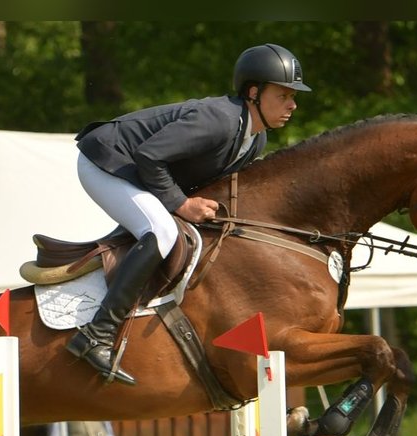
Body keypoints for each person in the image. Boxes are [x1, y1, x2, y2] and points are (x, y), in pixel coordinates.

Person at [66, 43, 311, 386]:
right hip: (107, 162)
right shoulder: (220, 120)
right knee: (162, 232)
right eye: (284, 95)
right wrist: (181, 205)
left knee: (169, 230)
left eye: (293, 96)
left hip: (138, 171)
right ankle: (97, 333)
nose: (292, 104)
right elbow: (149, 156)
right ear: (254, 93)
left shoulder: (255, 139)